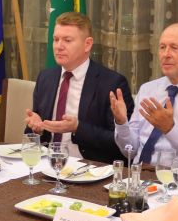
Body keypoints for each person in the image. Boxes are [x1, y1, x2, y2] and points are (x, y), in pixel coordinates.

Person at [109, 23, 178, 178]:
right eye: (162, 47)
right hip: (137, 177)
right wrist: (122, 123)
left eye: (174, 48)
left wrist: (170, 129)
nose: (166, 54)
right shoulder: (148, 89)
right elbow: (131, 151)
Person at [26, 12, 132, 164]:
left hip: (89, 168)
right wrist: (37, 128)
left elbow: (122, 144)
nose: (59, 46)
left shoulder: (112, 83)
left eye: (67, 40)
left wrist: (78, 128)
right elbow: (35, 135)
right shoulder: (45, 78)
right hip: (47, 164)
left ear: (87, 44)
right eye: (56, 39)